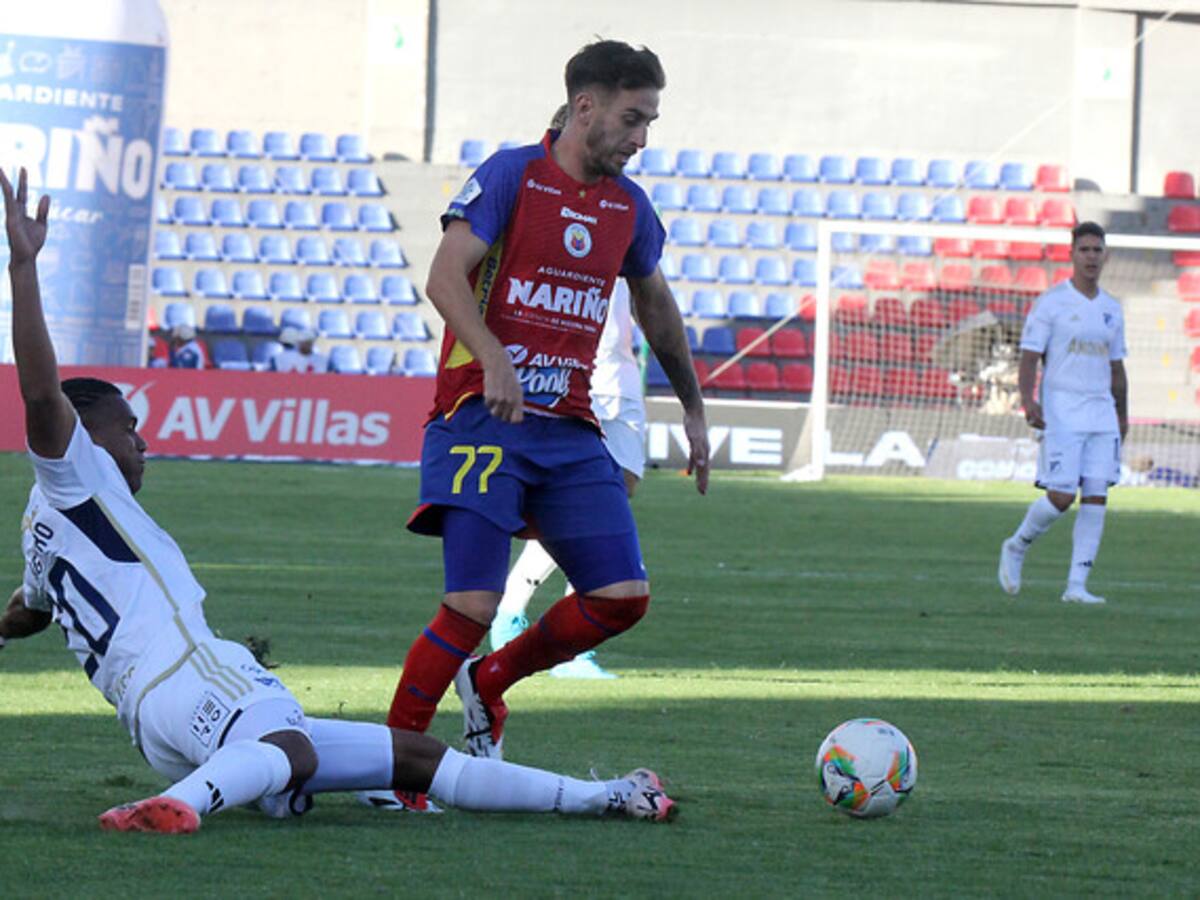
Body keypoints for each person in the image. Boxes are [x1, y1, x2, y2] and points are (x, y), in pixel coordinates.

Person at [0, 167, 677, 833]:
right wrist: (24, 268)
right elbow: (40, 394)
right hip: (190, 673)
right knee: (291, 751)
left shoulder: (47, 527)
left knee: (415, 758)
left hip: (157, 718)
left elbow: (29, 609)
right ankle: (185, 805)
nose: (141, 441)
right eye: (128, 428)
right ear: (83, 432)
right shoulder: (74, 471)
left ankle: (608, 797)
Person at [367, 40, 709, 810]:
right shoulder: (511, 175)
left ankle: (490, 680)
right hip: (480, 419)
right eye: (632, 118)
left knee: (622, 596)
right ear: (585, 107)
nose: (641, 138)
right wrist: (492, 356)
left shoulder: (628, 207)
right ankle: (394, 770)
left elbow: (655, 304)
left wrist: (691, 405)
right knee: (472, 605)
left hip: (569, 430)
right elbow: (444, 276)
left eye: (650, 122)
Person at [491, 104, 650, 681]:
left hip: (619, 380)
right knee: (592, 512)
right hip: (583, 384)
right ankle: (529, 623)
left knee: (608, 503)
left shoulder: (620, 206)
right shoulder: (539, 201)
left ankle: (520, 617)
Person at [998, 221, 1128, 605]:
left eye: (1097, 250)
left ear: (1106, 256)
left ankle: (1076, 586)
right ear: (1072, 254)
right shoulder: (1051, 303)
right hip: (1062, 410)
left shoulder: (1112, 308)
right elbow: (1029, 357)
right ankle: (1017, 545)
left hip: (1101, 411)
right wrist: (1028, 400)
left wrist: (1123, 414)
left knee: (1097, 495)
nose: (1091, 257)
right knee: (1061, 495)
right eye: (1084, 249)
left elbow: (1117, 366)